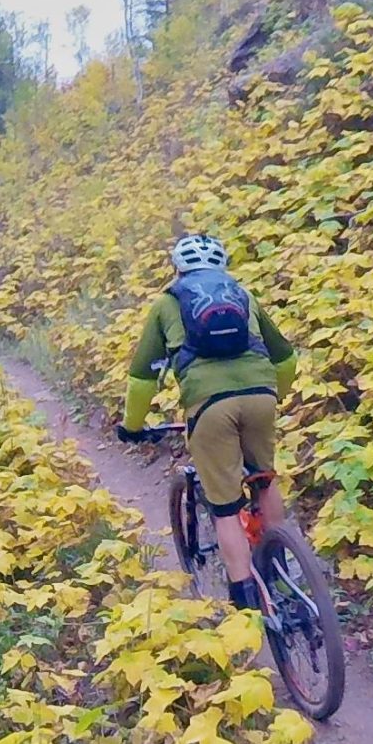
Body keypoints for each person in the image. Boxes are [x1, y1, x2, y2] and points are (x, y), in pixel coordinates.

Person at [115, 233, 298, 615]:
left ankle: (243, 599)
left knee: (226, 506)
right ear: (222, 267)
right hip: (261, 394)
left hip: (210, 405)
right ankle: (281, 567)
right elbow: (284, 358)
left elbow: (142, 377)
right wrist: (273, 395)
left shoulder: (167, 303)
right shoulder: (243, 295)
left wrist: (133, 425)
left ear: (177, 268)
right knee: (264, 478)